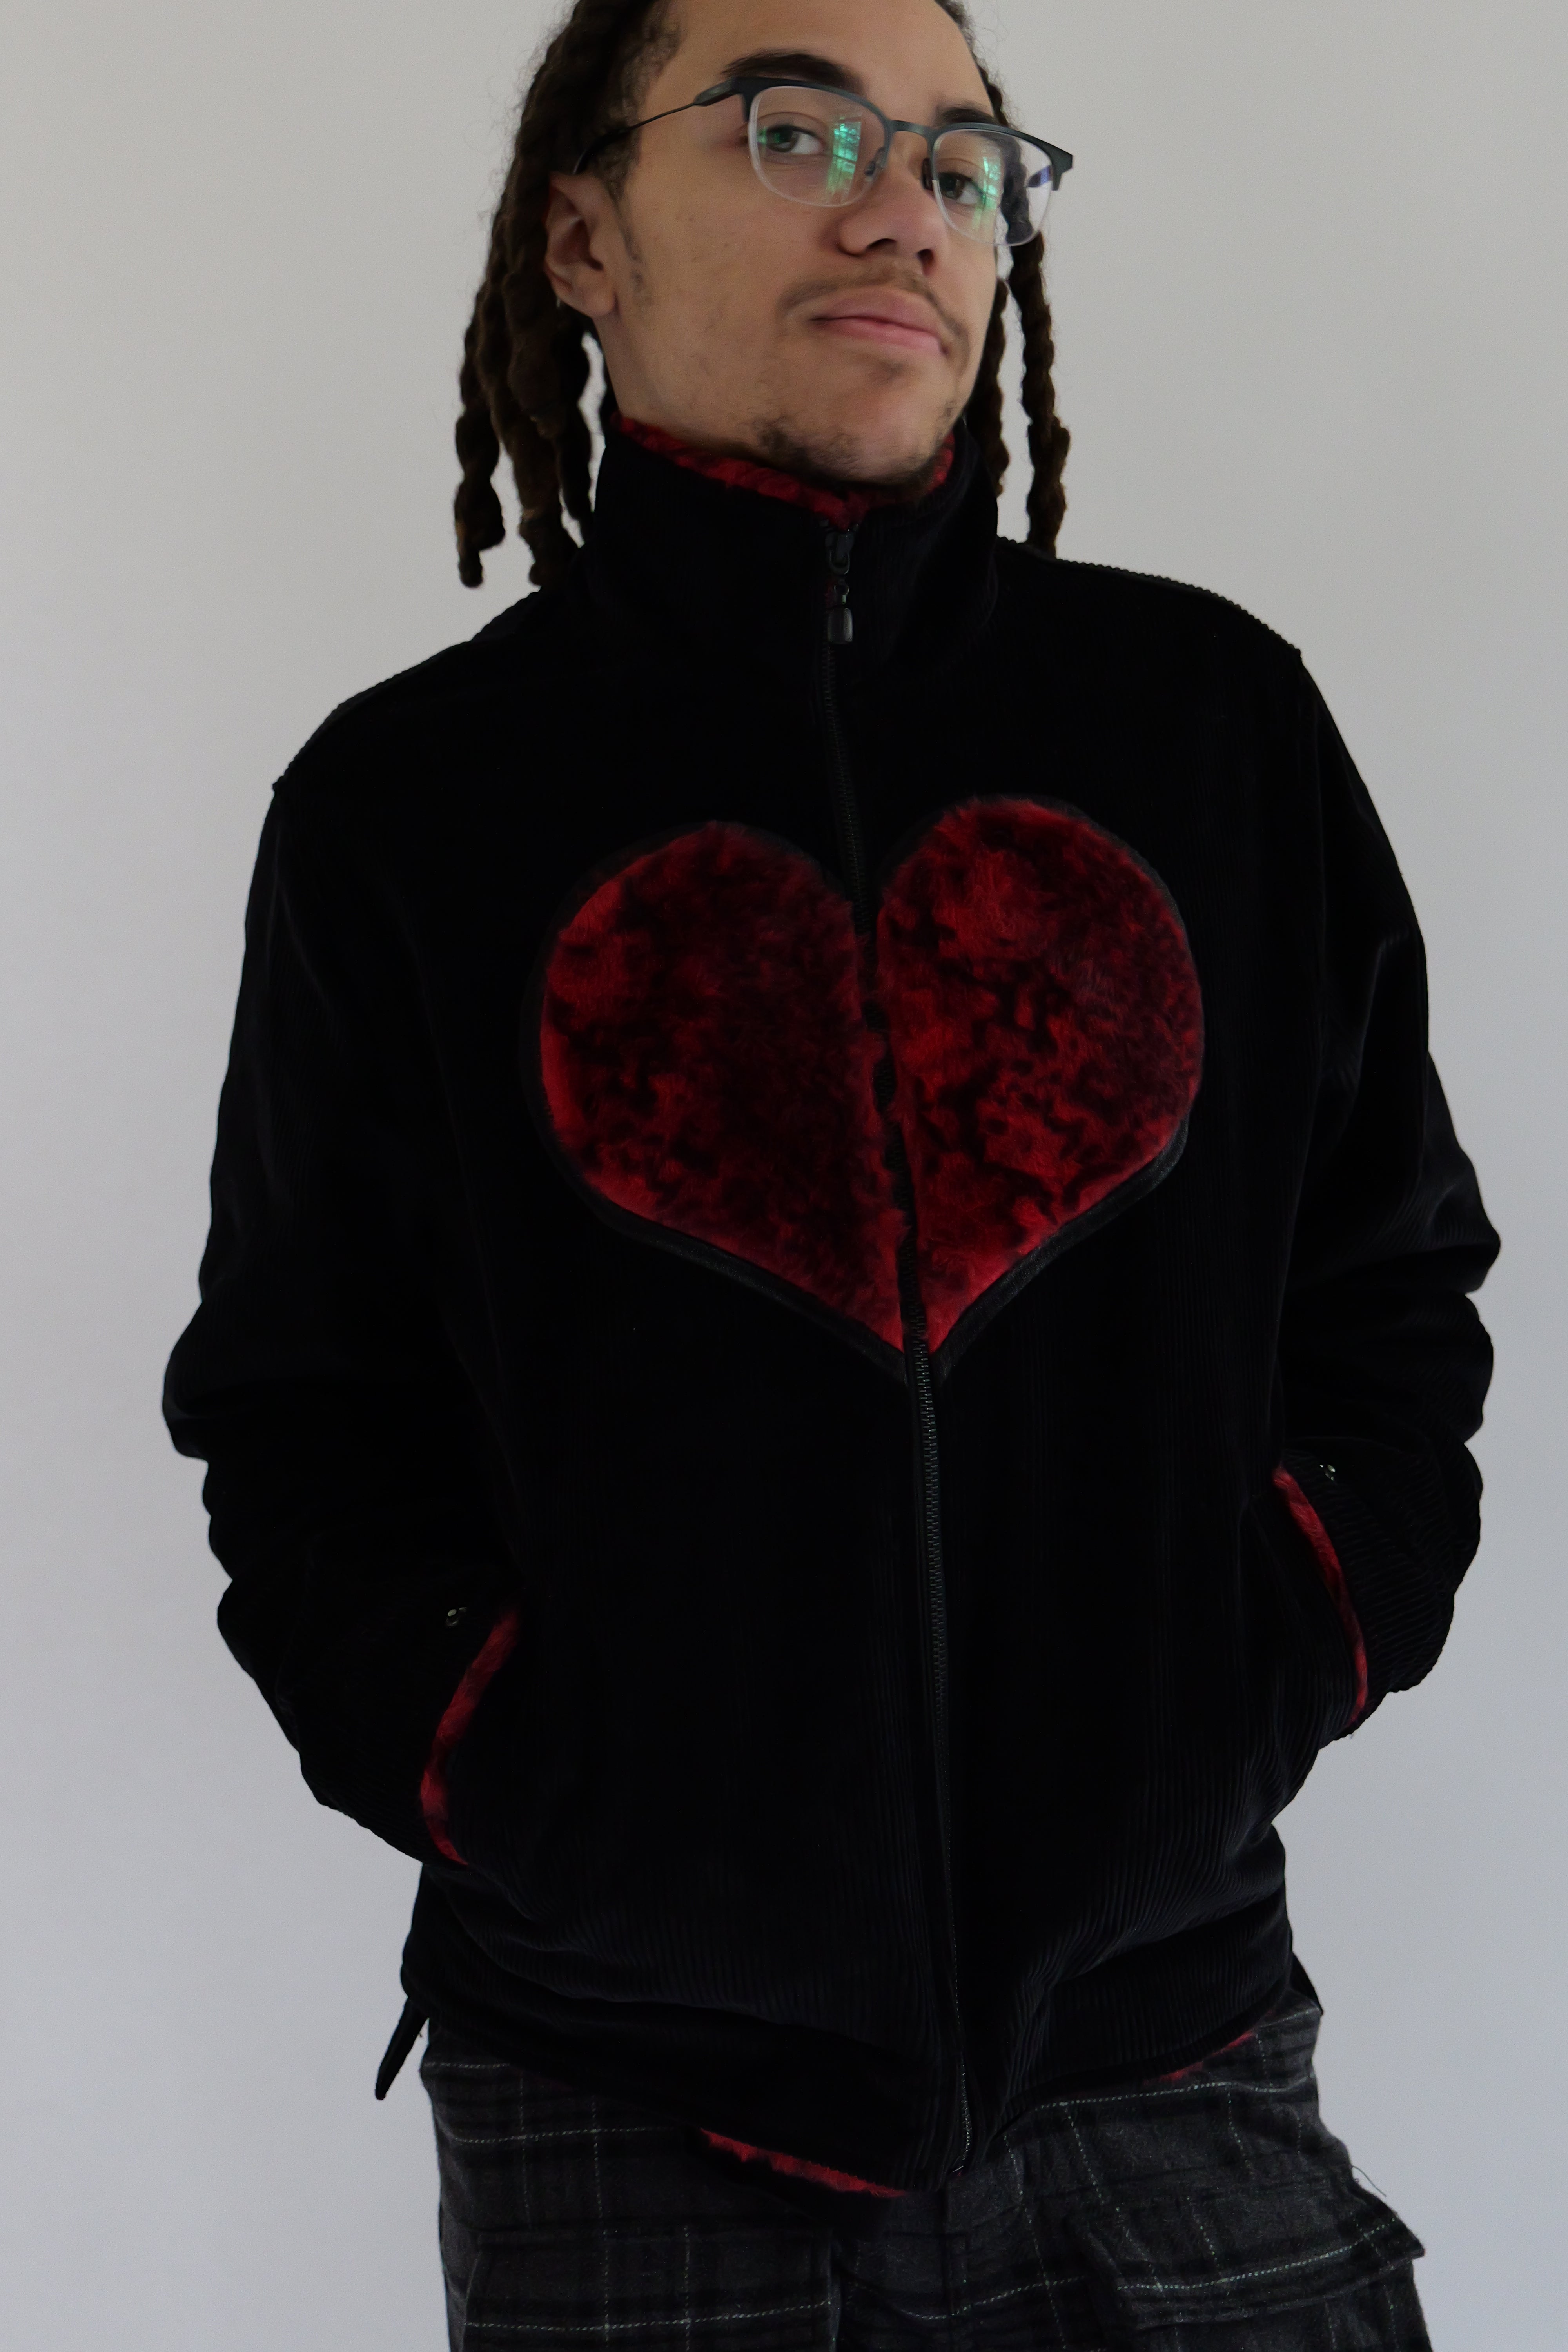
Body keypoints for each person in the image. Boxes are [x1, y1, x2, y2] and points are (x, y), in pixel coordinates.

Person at [163, 0, 1499, 2342]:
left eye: (968, 163)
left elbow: (1388, 1294)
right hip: (621, 2082)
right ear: (580, 234)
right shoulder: (407, 809)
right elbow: (305, 1418)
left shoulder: (1216, 731)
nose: (906, 211)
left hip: (1171, 2046)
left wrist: (1279, 1651)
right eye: (800, 130)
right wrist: (525, 1781)